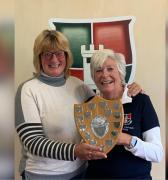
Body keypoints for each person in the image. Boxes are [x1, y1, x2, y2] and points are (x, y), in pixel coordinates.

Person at [15, 30, 142, 180]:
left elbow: (105, 108)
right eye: (47, 53)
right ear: (39, 58)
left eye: (59, 53)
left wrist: (129, 89)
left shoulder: (78, 86)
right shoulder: (28, 90)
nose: (54, 59)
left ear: (67, 56)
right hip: (44, 175)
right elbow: (32, 141)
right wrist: (74, 151)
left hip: (81, 172)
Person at [85, 49, 164, 179]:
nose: (104, 75)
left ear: (121, 73)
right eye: (98, 70)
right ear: (93, 76)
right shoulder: (89, 105)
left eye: (110, 69)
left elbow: (157, 154)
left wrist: (127, 140)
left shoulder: (140, 101)